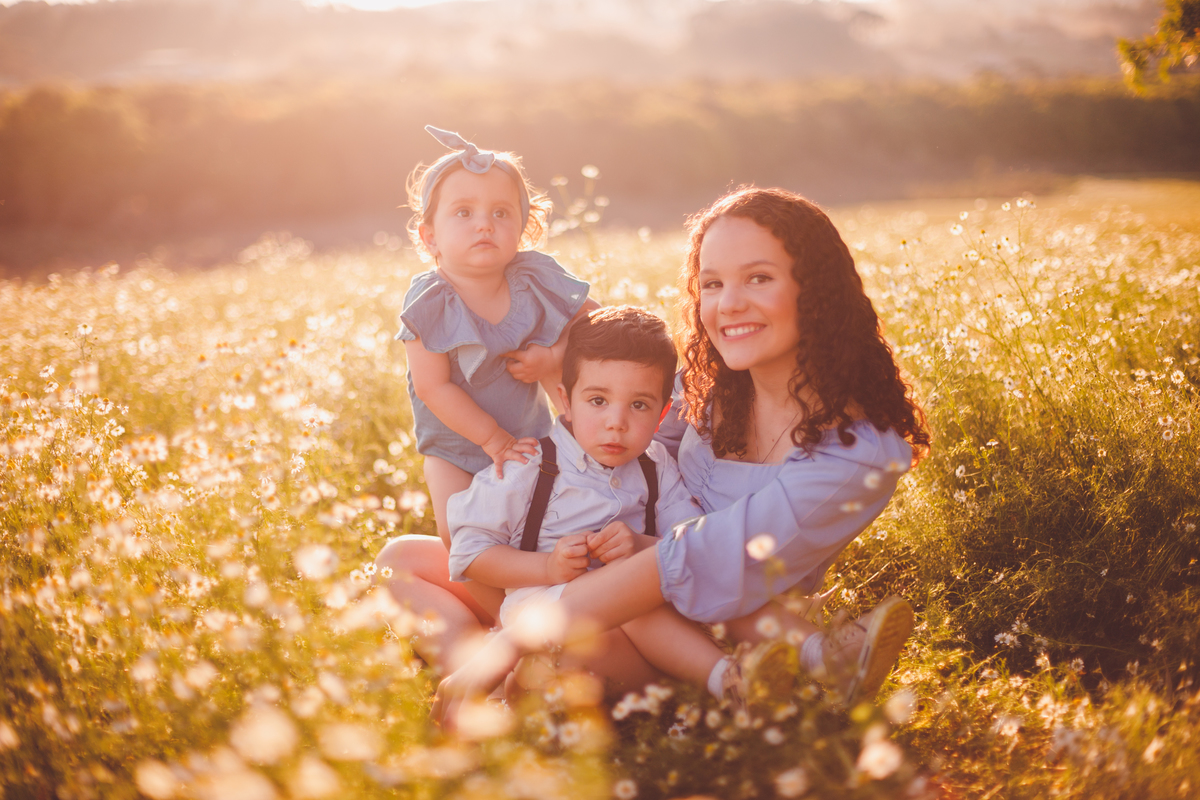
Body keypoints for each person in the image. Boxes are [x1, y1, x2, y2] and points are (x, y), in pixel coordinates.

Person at [431, 186, 931, 728]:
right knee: (406, 559)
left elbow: (704, 558)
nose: (728, 304)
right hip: (605, 563)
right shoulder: (710, 390)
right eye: (713, 284)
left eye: (758, 278)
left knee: (573, 634)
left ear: (816, 291)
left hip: (715, 617)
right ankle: (491, 666)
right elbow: (623, 437)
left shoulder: (857, 453)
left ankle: (740, 678)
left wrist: (506, 645)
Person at [447, 305, 767, 703]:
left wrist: (638, 544)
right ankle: (725, 683)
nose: (616, 422)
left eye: (638, 405)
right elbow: (469, 553)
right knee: (625, 607)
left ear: (663, 412)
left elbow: (689, 536)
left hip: (637, 634)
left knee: (634, 597)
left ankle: (714, 683)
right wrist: (546, 567)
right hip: (547, 617)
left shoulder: (655, 466)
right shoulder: (530, 465)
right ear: (566, 399)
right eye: (598, 401)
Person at [379, 125, 598, 665]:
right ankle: (505, 621)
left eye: (502, 212)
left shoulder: (535, 279)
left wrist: (552, 357)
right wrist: (491, 439)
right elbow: (432, 386)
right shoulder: (431, 299)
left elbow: (597, 328)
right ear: (429, 235)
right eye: (464, 213)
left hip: (530, 441)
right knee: (463, 542)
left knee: (531, 535)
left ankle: (536, 608)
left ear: (524, 226)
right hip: (455, 448)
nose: (484, 223)